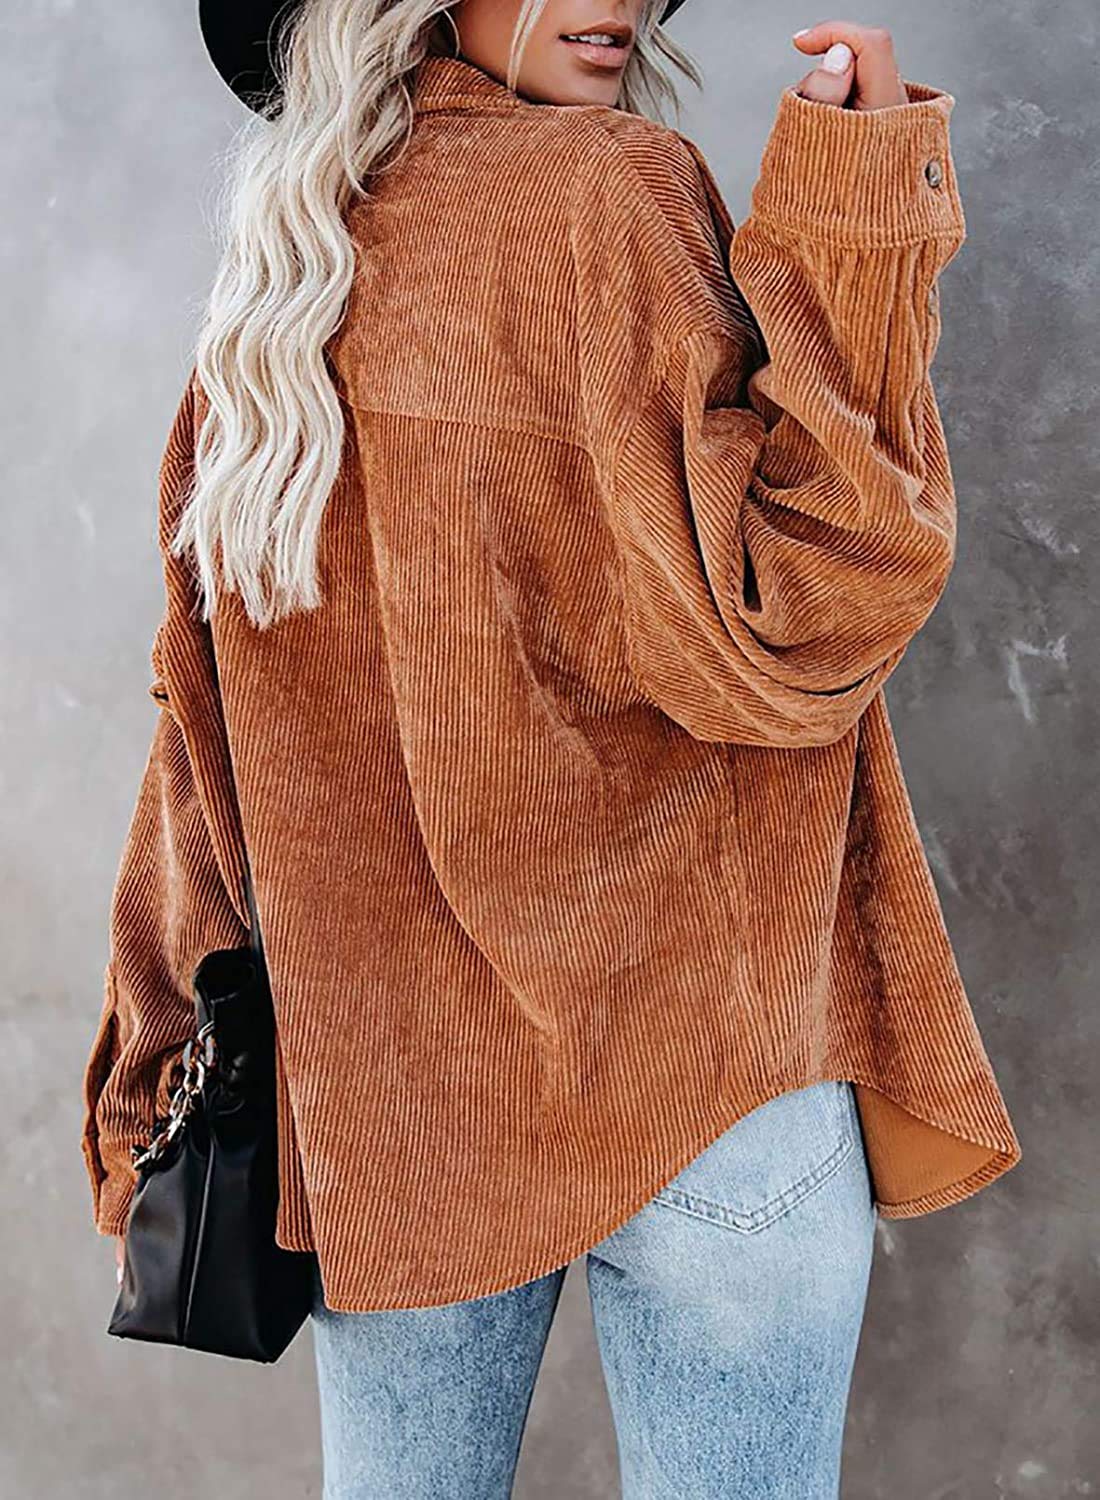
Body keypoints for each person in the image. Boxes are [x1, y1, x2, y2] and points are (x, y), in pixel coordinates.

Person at [80, 0, 1021, 1494]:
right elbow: (807, 608)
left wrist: (149, 1063)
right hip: (709, 1066)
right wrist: (854, 199)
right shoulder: (609, 186)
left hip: (400, 1105)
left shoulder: (282, 274)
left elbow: (207, 739)